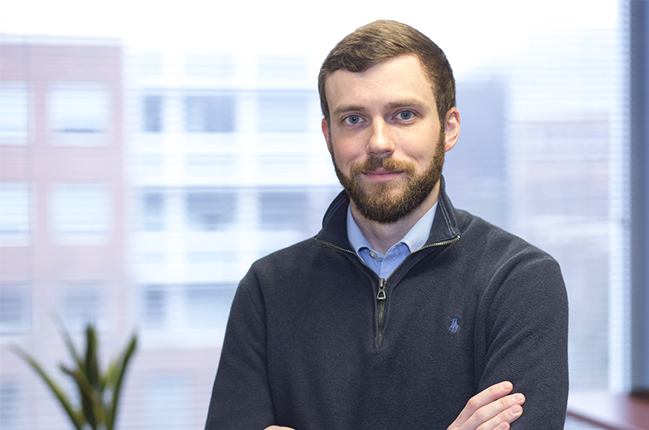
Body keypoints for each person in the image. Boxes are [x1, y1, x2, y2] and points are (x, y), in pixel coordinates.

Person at [205, 20, 569, 430]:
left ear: (448, 128)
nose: (379, 142)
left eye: (404, 115)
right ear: (328, 136)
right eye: (354, 120)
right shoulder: (268, 289)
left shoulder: (519, 281)